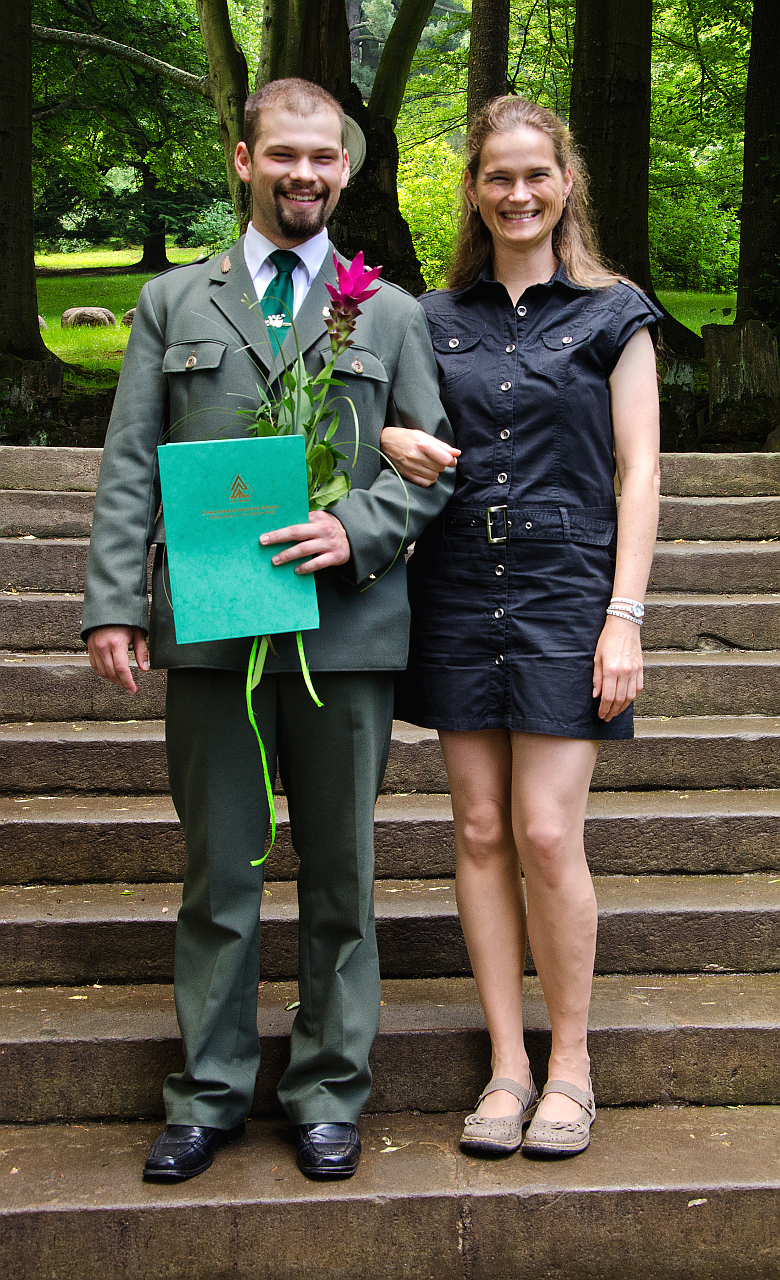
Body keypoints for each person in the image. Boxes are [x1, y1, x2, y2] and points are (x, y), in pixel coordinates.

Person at [81, 77, 454, 1183]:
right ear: (244, 160)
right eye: (284, 153)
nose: (305, 173)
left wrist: (359, 528)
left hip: (346, 634)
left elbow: (433, 465)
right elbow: (131, 462)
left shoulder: (390, 312)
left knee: (343, 876)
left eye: (324, 157)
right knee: (220, 874)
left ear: (345, 169)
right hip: (215, 631)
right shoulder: (173, 302)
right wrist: (114, 602)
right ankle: (208, 1092)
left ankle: (329, 1089)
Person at [381, 96, 661, 1158]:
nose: (517, 193)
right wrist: (391, 440)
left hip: (566, 589)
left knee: (547, 831)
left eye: (535, 173)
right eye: (497, 175)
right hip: (456, 587)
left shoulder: (615, 313)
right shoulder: (428, 318)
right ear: (473, 189)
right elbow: (381, 433)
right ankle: (507, 1065)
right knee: (481, 829)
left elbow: (640, 473)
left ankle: (571, 1066)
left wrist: (624, 617)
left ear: (566, 181)